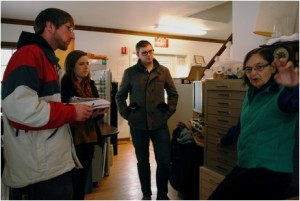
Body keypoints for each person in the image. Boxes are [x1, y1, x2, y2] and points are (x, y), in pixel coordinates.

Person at [1, 8, 94, 200]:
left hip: (49, 164)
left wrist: (76, 115)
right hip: (40, 170)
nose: (72, 34)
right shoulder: (28, 55)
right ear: (50, 26)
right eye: (69, 28)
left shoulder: (48, 59)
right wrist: (71, 113)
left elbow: (48, 108)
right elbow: (21, 110)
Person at [208, 47, 299, 200]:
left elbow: (295, 103)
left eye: (259, 67)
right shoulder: (251, 92)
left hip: (271, 171)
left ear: (272, 67)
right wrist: (225, 139)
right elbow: (242, 125)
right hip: (246, 165)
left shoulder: (283, 94)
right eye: (248, 69)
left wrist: (294, 87)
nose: (253, 73)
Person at [115, 40, 178, 200]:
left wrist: (168, 112)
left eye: (150, 51)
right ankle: (146, 194)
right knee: (143, 162)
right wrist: (127, 114)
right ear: (138, 54)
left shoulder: (163, 71)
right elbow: (120, 96)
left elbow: (173, 94)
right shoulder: (130, 73)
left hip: (159, 124)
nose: (149, 55)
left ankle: (162, 195)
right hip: (138, 126)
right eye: (144, 52)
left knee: (164, 162)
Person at [61, 50, 109, 200]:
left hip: (90, 134)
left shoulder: (91, 84)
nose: (86, 67)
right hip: (73, 135)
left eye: (87, 64)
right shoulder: (65, 83)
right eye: (81, 64)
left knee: (84, 174)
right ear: (72, 66)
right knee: (73, 177)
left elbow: (96, 106)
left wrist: (98, 111)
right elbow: (63, 108)